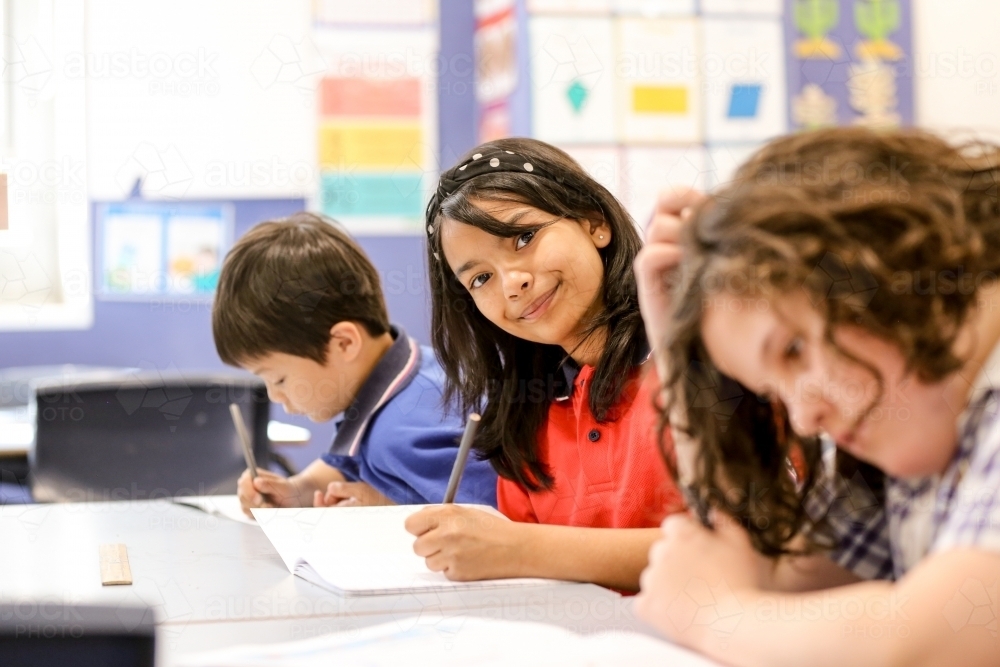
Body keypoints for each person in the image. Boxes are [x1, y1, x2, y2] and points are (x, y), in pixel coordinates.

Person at [634, 127, 1000, 666]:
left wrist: (716, 615)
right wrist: (678, 358)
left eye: (794, 349)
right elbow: (780, 587)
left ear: (887, 258)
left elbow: (942, 638)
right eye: (774, 393)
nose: (805, 418)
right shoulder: (924, 421)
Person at [405, 138, 683, 591]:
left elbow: (751, 546)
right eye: (480, 278)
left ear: (595, 222)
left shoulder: (699, 360)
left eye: (523, 237)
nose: (512, 284)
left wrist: (520, 548)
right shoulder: (523, 412)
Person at [212, 212, 498, 518]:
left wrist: (385, 512)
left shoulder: (403, 433)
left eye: (278, 379)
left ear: (345, 343)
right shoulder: (398, 381)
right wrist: (296, 491)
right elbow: (346, 462)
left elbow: (491, 519)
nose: (274, 396)